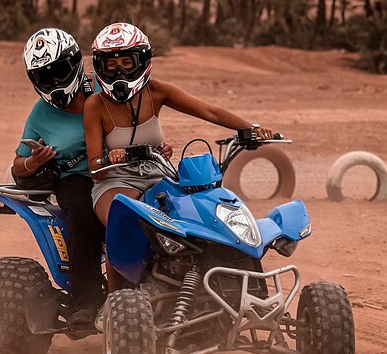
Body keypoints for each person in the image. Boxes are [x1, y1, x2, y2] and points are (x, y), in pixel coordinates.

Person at [84, 22, 274, 291]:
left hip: (158, 174)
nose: (119, 70)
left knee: (196, 217)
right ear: (100, 65)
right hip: (115, 181)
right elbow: (94, 167)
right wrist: (111, 156)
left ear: (143, 61)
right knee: (122, 219)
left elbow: (209, 112)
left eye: (127, 62)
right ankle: (116, 302)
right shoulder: (96, 104)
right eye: (111, 64)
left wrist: (249, 129)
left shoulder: (157, 92)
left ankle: (198, 286)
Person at [13, 28, 104, 324]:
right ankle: (85, 302)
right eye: (43, 77)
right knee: (82, 215)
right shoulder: (39, 114)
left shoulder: (104, 88)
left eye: (59, 71)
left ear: (76, 62)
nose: (53, 82)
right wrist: (32, 162)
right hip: (76, 180)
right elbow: (17, 165)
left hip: (120, 170)